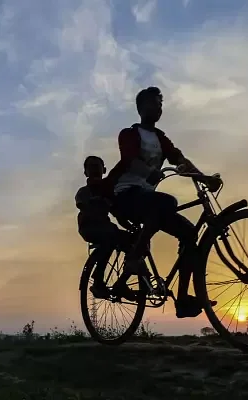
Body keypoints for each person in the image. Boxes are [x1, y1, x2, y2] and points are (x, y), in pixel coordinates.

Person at [102, 86, 222, 318]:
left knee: (188, 233)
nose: (157, 108)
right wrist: (148, 171)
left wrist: (204, 178)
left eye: (159, 104)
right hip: (125, 195)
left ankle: (183, 299)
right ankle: (135, 256)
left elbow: (180, 160)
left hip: (148, 201)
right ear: (140, 108)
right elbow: (130, 160)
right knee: (167, 201)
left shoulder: (161, 138)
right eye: (152, 103)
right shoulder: (129, 133)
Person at [75, 155, 134, 300]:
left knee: (136, 241)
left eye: (97, 166)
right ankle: (98, 280)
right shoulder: (84, 191)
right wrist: (101, 201)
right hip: (90, 228)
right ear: (85, 172)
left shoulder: (108, 191)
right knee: (109, 239)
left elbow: (118, 215)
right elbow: (84, 205)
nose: (95, 169)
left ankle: (124, 280)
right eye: (91, 166)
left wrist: (131, 226)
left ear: (104, 170)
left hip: (108, 228)